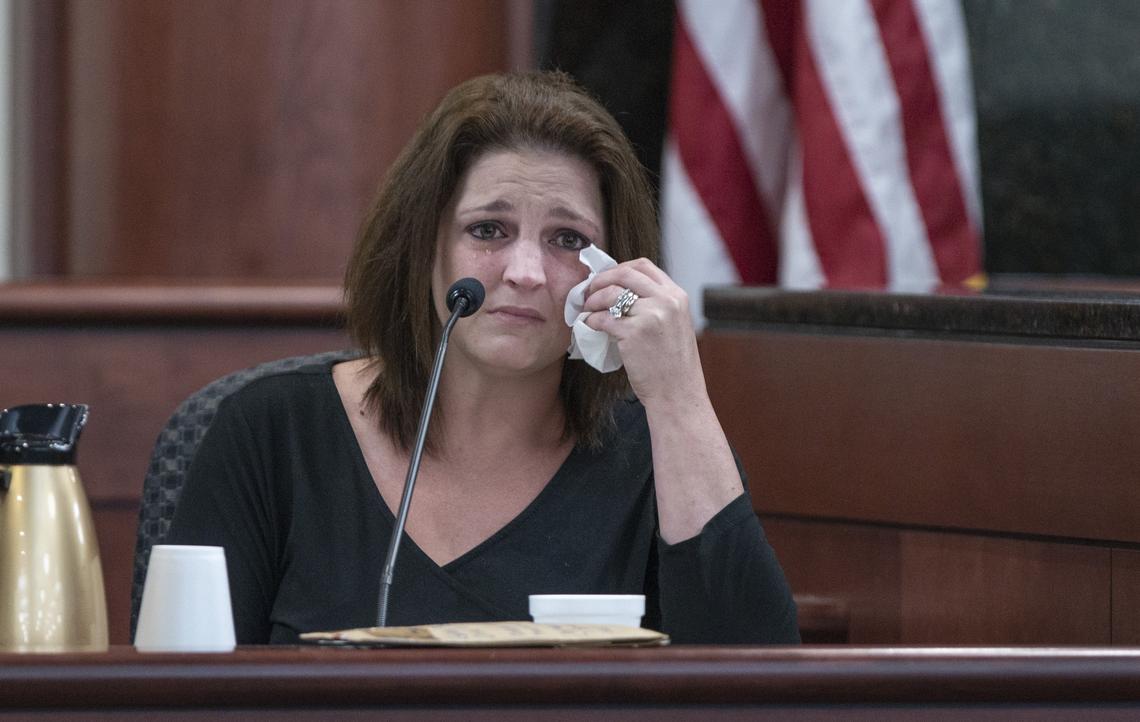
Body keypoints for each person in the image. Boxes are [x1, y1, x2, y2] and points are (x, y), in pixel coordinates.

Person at [166, 71, 799, 645]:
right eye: (488, 230)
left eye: (567, 239)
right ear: (423, 247)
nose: (525, 272)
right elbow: (181, 700)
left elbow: (760, 686)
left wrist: (679, 396)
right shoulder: (271, 437)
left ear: (613, 271)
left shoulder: (657, 455)